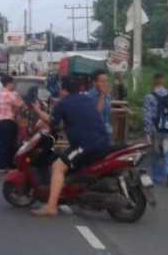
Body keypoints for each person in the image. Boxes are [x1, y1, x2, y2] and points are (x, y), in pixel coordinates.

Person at [31, 76, 111, 217]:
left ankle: (51, 207)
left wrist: (37, 110)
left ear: (63, 90)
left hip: (85, 145)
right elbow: (94, 112)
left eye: (61, 88)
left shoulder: (64, 103)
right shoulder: (86, 99)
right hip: (103, 141)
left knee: (58, 166)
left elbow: (52, 122)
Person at [143, 73, 168, 187]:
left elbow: (147, 116)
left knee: (156, 154)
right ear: (163, 82)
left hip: (156, 130)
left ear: (153, 82)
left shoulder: (149, 97)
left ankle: (158, 177)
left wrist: (148, 132)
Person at [0, 74, 23, 171]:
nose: (14, 85)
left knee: (1, 143)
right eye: (13, 83)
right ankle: (8, 164)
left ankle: (0, 164)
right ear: (9, 83)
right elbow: (20, 105)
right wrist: (18, 97)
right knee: (9, 144)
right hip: (8, 122)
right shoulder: (11, 95)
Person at [88, 70, 113, 135]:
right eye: (102, 82)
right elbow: (96, 115)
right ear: (94, 83)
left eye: (106, 81)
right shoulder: (89, 96)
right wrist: (102, 95)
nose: (105, 84)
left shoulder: (108, 95)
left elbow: (107, 115)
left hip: (107, 131)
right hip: (95, 132)